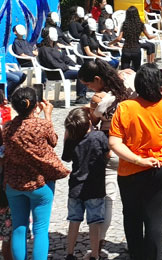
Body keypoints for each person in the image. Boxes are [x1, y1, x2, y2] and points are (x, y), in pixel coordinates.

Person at [109, 63, 162, 260]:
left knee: (132, 216)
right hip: (161, 165)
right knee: (155, 219)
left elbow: (114, 143)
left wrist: (139, 159)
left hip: (131, 169)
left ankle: (136, 255)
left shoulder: (125, 108)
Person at [3, 87, 69, 260]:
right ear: (35, 105)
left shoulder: (7, 128)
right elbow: (53, 141)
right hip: (40, 184)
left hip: (14, 184)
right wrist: (47, 115)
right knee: (40, 229)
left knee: (19, 227)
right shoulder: (42, 125)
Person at [77, 59, 136, 249]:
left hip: (109, 150)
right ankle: (134, 241)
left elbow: (92, 121)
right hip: (132, 148)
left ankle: (99, 241)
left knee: (108, 198)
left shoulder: (100, 99)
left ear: (97, 78)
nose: (89, 89)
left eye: (88, 85)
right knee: (132, 200)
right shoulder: (129, 81)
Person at [62, 108, 109, 260]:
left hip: (75, 187)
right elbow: (108, 154)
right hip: (95, 187)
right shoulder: (99, 136)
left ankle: (70, 253)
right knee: (94, 223)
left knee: (74, 221)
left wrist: (67, 136)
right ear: (89, 122)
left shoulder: (71, 140)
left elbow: (67, 158)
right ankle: (95, 254)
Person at [37, 27, 88, 103]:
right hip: (55, 73)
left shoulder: (55, 46)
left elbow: (65, 58)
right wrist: (68, 67)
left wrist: (75, 65)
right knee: (82, 74)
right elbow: (52, 63)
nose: (56, 35)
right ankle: (80, 96)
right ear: (47, 35)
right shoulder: (44, 49)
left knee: (83, 70)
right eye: (53, 33)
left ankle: (82, 95)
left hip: (63, 70)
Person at [109, 6, 157, 71]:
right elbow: (149, 37)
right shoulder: (140, 24)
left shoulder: (125, 24)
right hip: (136, 50)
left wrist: (110, 43)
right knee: (136, 71)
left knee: (125, 71)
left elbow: (119, 38)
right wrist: (156, 35)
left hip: (126, 50)